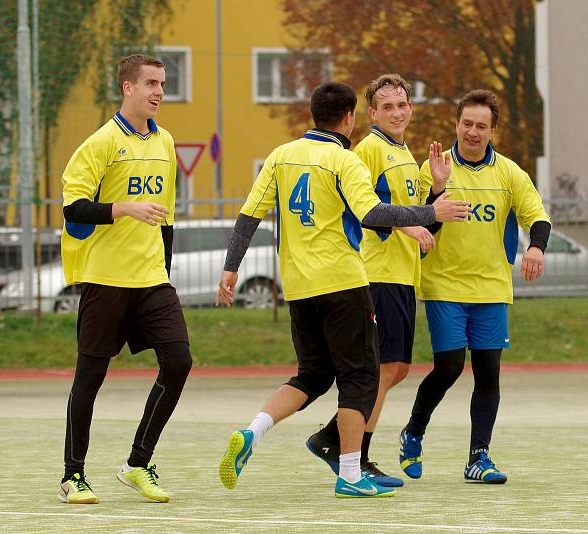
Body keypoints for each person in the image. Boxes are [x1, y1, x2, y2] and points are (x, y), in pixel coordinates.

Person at [215, 81, 470, 498]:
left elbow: (249, 216)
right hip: (343, 282)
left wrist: (230, 268)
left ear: (313, 114)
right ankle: (351, 471)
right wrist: (432, 210)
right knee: (362, 375)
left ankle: (253, 431)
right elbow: (372, 214)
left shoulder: (281, 156)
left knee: (312, 374)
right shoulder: (344, 159)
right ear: (351, 116)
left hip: (297, 286)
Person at [57, 53, 192, 504]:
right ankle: (72, 476)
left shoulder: (166, 141)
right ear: (127, 87)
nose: (158, 92)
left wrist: (165, 272)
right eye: (151, 83)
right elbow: (73, 208)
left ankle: (137, 463)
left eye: (163, 84)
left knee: (179, 362)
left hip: (152, 279)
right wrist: (122, 209)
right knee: (90, 377)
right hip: (105, 279)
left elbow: (167, 217)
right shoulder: (100, 143)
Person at [397, 89, 551, 485]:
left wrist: (535, 247)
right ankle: (412, 433)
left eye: (482, 125)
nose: (473, 131)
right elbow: (420, 225)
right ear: (456, 124)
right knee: (448, 367)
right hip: (444, 285)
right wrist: (434, 191)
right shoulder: (432, 167)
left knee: (488, 372)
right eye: (467, 123)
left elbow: (539, 217)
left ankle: (478, 459)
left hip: (491, 289)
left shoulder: (510, 174)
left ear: (492, 129)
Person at [305, 74, 440, 488]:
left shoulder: (402, 152)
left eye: (402, 105)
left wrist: (436, 190)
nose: (396, 112)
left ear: (410, 108)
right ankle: (353, 455)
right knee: (382, 368)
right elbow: (364, 206)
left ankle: (334, 438)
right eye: (387, 107)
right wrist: (408, 228)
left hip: (402, 273)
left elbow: (417, 212)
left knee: (396, 368)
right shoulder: (368, 150)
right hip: (377, 271)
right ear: (371, 113)